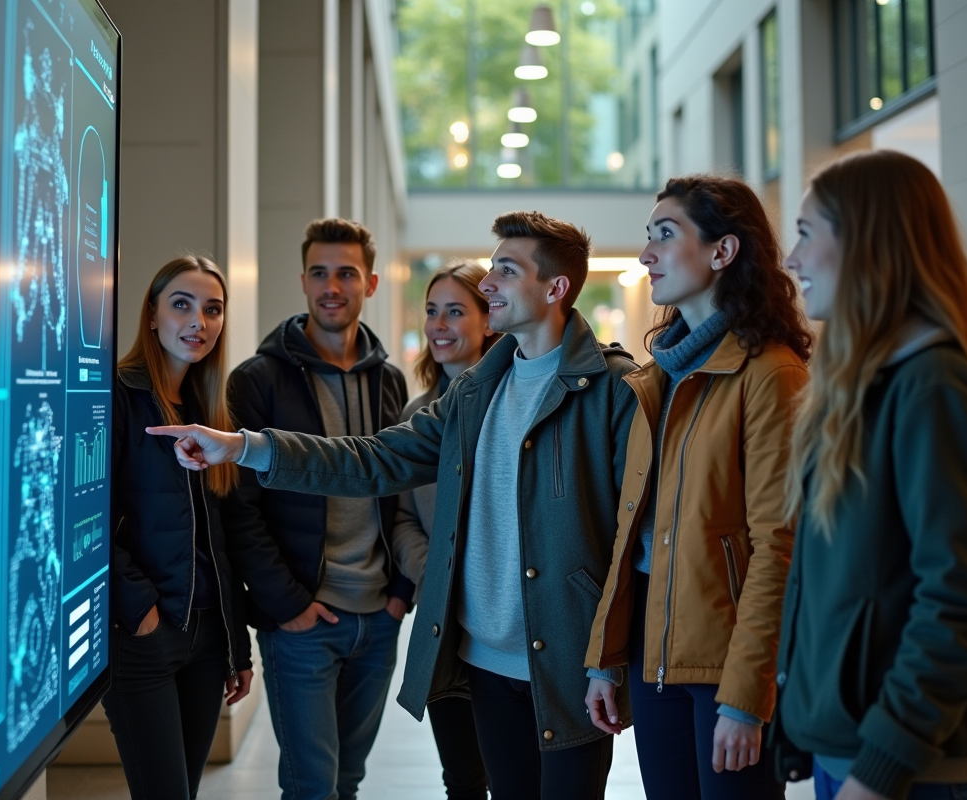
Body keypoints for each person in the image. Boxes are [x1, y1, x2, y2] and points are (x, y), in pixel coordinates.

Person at [151, 211, 641, 800]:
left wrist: (607, 660)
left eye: (505, 272)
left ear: (555, 288)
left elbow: (632, 539)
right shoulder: (472, 393)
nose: (487, 285)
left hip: (567, 664)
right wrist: (246, 446)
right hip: (481, 662)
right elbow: (370, 459)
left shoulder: (612, 389)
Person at [770, 150, 967, 800]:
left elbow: (959, 603)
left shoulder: (936, 388)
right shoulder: (869, 385)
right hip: (857, 753)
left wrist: (881, 767)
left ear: (866, 240)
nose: (791, 259)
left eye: (806, 233)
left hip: (904, 771)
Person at [584, 176, 810, 800]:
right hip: (655, 660)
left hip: (728, 669)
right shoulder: (658, 378)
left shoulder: (772, 375)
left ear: (723, 252)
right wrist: (609, 655)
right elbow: (635, 532)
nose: (645, 255)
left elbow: (778, 546)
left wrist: (746, 695)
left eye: (664, 234)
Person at [221, 218, 414, 800]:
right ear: (303, 281)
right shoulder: (257, 381)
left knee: (347, 781)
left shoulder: (390, 382)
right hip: (304, 619)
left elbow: (405, 490)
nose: (333, 286)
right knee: (311, 786)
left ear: (371, 283)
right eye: (321, 273)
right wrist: (288, 605)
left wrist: (400, 593)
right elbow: (240, 507)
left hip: (378, 619)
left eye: (347, 273)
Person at [104, 255, 254, 800]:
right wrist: (138, 610)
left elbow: (219, 540)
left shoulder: (209, 411)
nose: (199, 322)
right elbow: (87, 519)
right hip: (143, 635)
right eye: (182, 305)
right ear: (151, 315)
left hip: (206, 636)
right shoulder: (115, 395)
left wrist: (236, 646)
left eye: (213, 310)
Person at [392, 259, 497, 800]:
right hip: (443, 626)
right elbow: (404, 517)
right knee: (461, 778)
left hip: (506, 626)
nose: (438, 325)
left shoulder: (512, 404)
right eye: (432, 311)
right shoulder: (417, 413)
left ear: (489, 320)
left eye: (455, 312)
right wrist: (434, 569)